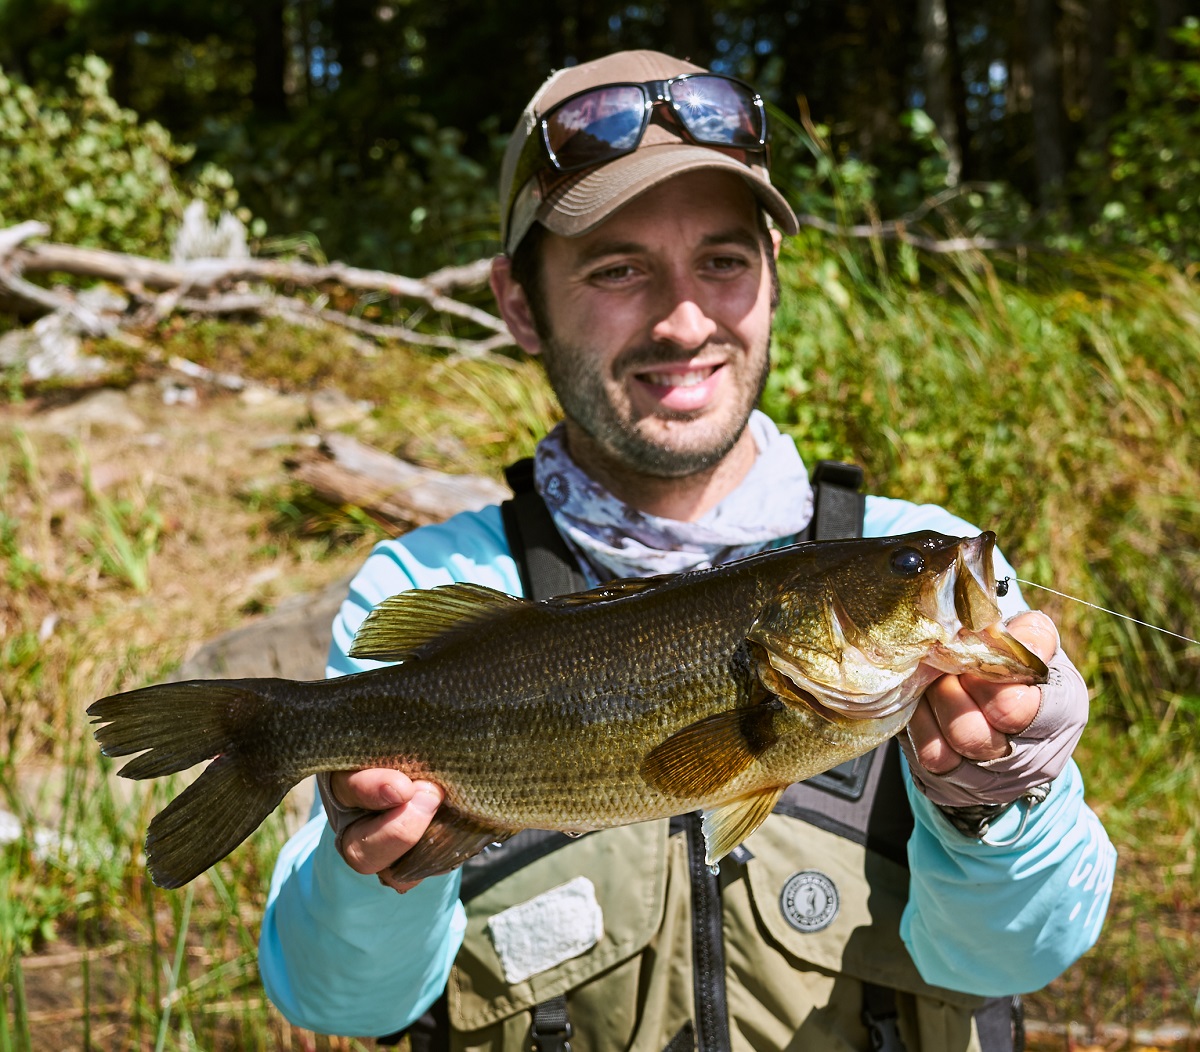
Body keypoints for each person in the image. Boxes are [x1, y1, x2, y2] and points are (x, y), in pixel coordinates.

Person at [258, 49, 1115, 1051]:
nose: (685, 319)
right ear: (520, 304)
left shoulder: (909, 553)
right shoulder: (432, 588)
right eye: (619, 269)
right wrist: (379, 864)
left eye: (724, 260)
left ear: (771, 281)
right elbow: (338, 1001)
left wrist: (1006, 800)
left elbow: (1021, 957)